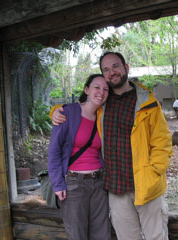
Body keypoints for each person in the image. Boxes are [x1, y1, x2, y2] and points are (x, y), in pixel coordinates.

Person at [52, 52, 173, 240]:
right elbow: (80, 110)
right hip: (116, 189)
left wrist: (154, 171)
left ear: (126, 67)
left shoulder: (148, 103)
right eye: (106, 69)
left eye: (115, 66)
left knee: (155, 236)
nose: (112, 72)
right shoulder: (102, 105)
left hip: (145, 185)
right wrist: (56, 111)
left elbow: (163, 142)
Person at [48, 74, 111, 240]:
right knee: (77, 234)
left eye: (105, 89)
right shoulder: (67, 113)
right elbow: (54, 151)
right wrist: (57, 183)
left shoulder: (103, 116)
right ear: (86, 90)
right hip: (74, 184)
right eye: (97, 87)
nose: (101, 92)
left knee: (102, 234)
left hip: (99, 183)